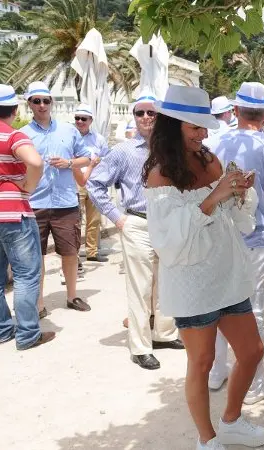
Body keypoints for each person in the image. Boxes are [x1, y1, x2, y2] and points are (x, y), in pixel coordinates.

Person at [143, 85, 264, 450]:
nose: (203, 134)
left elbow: (228, 212)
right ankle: (207, 439)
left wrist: (239, 192)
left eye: (204, 127)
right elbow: (168, 240)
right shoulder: (160, 173)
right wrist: (214, 197)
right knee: (202, 361)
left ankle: (231, 420)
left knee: (252, 351)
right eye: (194, 127)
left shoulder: (208, 159)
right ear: (173, 125)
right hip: (191, 280)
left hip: (226, 273)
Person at [205, 82, 264, 401]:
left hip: (218, 236)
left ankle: (217, 372)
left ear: (236, 110)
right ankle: (254, 383)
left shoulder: (216, 140)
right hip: (257, 236)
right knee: (253, 309)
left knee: (218, 305)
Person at [87, 91, 183, 370]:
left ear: (160, 116)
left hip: (168, 223)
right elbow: (95, 184)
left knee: (167, 282)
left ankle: (164, 333)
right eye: (139, 113)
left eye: (150, 112)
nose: (145, 117)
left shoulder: (171, 150)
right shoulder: (123, 151)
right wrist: (117, 218)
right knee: (140, 287)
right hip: (137, 223)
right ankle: (140, 346)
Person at [0, 84, 55, 350]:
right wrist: (29, 187)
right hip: (12, 212)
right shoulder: (13, 136)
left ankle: (1, 330)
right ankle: (28, 334)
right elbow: (36, 162)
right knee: (26, 274)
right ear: (15, 109)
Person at [20, 81, 92, 316]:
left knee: (70, 253)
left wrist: (68, 163)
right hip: (35, 204)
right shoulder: (22, 135)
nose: (41, 105)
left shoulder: (69, 131)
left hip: (65, 202)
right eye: (36, 101)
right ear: (29, 103)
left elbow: (86, 158)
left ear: (52, 102)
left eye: (46, 101)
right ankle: (39, 303)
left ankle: (72, 296)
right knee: (35, 257)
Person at [71, 104, 109, 263]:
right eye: (77, 118)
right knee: (74, 220)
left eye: (83, 118)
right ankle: (73, 255)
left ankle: (92, 252)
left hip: (94, 181)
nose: (80, 121)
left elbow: (108, 158)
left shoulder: (99, 139)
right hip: (75, 181)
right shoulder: (70, 136)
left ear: (90, 120)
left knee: (94, 219)